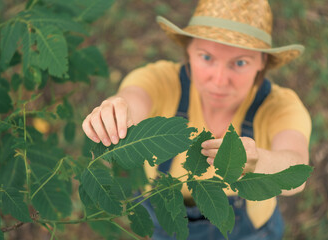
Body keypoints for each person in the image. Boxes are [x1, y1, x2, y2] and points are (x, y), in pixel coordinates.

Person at [82, 0, 311, 239]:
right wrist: (116, 111)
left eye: (240, 62)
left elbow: (296, 172)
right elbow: (134, 97)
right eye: (206, 57)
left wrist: (258, 162)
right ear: (188, 51)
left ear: (262, 62)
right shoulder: (162, 81)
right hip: (166, 224)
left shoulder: (279, 106)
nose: (220, 80)